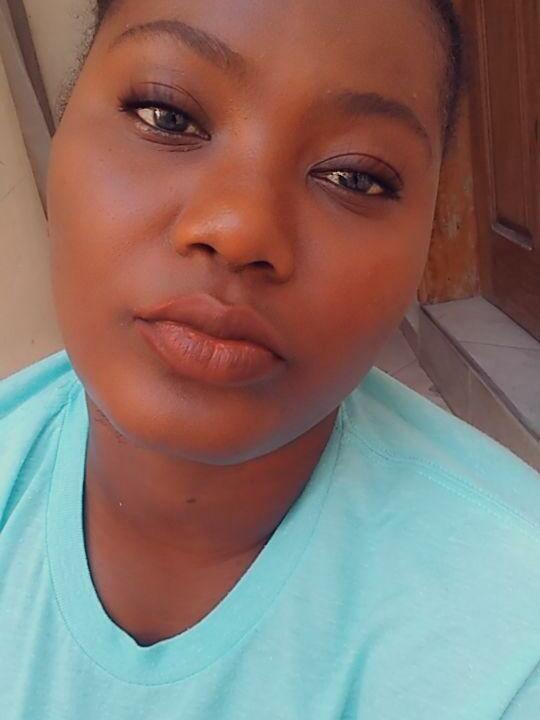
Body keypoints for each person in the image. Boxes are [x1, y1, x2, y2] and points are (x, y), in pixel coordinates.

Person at [1, 0, 539, 717]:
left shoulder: (513, 639)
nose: (240, 227)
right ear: (60, 128)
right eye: (167, 115)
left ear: (429, 236)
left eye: (354, 177)